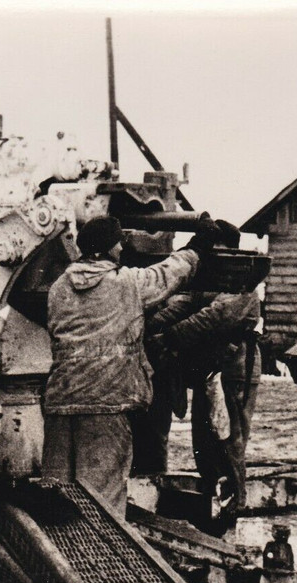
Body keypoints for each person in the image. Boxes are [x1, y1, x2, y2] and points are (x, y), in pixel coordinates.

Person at [41, 214, 231, 518]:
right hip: (106, 406)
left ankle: (55, 559)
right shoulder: (125, 284)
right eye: (118, 243)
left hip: (60, 405)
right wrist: (198, 245)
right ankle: (99, 561)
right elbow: (169, 273)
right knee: (101, 504)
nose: (121, 249)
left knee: (56, 498)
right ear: (109, 247)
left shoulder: (58, 288)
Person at [139, 289, 262, 532]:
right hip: (212, 372)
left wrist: (168, 336)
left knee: (228, 445)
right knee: (205, 448)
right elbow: (184, 305)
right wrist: (144, 324)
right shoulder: (209, 282)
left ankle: (229, 516)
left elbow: (213, 316)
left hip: (234, 372)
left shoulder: (242, 287)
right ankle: (213, 515)